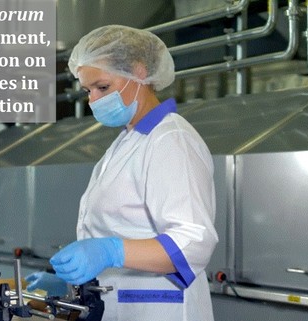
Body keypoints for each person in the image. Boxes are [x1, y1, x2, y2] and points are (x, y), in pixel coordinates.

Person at [25, 25, 218, 321]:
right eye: (88, 91)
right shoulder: (127, 142)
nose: (93, 100)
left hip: (157, 310)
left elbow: (192, 242)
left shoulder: (170, 140)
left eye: (103, 87)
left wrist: (110, 251)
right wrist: (71, 282)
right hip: (120, 306)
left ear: (139, 73)